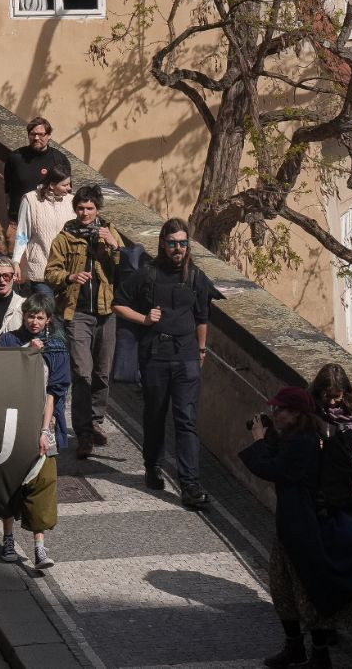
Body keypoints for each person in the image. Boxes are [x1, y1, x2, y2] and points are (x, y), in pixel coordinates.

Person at [241, 384, 352, 669]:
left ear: (296, 413)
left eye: (279, 410)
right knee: (282, 586)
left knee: (307, 588)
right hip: (292, 523)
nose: (275, 413)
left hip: (303, 525)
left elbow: (274, 469)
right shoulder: (296, 436)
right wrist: (269, 437)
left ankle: (318, 655)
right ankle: (295, 647)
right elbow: (278, 461)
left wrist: (258, 441)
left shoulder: (304, 442)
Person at [113, 217, 216, 509]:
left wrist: (202, 349)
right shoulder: (147, 275)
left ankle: (190, 486)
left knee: (186, 420)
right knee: (155, 416)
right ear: (163, 244)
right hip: (155, 356)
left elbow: (202, 317)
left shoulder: (195, 277)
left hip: (186, 357)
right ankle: (152, 465)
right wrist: (144, 319)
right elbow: (118, 304)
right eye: (173, 244)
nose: (178, 249)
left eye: (183, 243)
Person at [44, 185, 125, 459]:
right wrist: (70, 277)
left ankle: (96, 420)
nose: (85, 213)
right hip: (77, 312)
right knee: (82, 372)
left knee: (102, 372)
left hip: (106, 312)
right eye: (81, 208)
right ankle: (84, 433)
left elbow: (126, 269)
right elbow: (50, 272)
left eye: (90, 208)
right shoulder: (65, 237)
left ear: (97, 209)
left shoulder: (109, 233)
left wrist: (114, 247)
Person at [0, 295, 69, 571]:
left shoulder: (58, 348)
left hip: (42, 423)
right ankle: (8, 538)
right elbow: (2, 374)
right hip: (12, 422)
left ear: (48, 319)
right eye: (30, 316)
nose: (34, 321)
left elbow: (54, 395)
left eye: (40, 317)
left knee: (43, 484)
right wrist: (28, 351)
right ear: (23, 315)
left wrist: (44, 430)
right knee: (10, 482)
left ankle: (39, 546)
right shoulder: (9, 341)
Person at [12, 167, 75, 302]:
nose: (69, 188)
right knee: (46, 311)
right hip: (41, 269)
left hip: (66, 269)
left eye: (69, 184)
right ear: (52, 185)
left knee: (63, 315)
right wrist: (16, 261)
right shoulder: (30, 199)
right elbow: (23, 233)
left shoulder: (72, 201)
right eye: (64, 185)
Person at [4, 116, 72, 226]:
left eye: (41, 134)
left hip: (49, 222)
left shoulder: (59, 159)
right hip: (19, 221)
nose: (36, 138)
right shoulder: (15, 157)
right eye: (32, 134)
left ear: (49, 136)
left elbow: (67, 192)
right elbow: (7, 190)